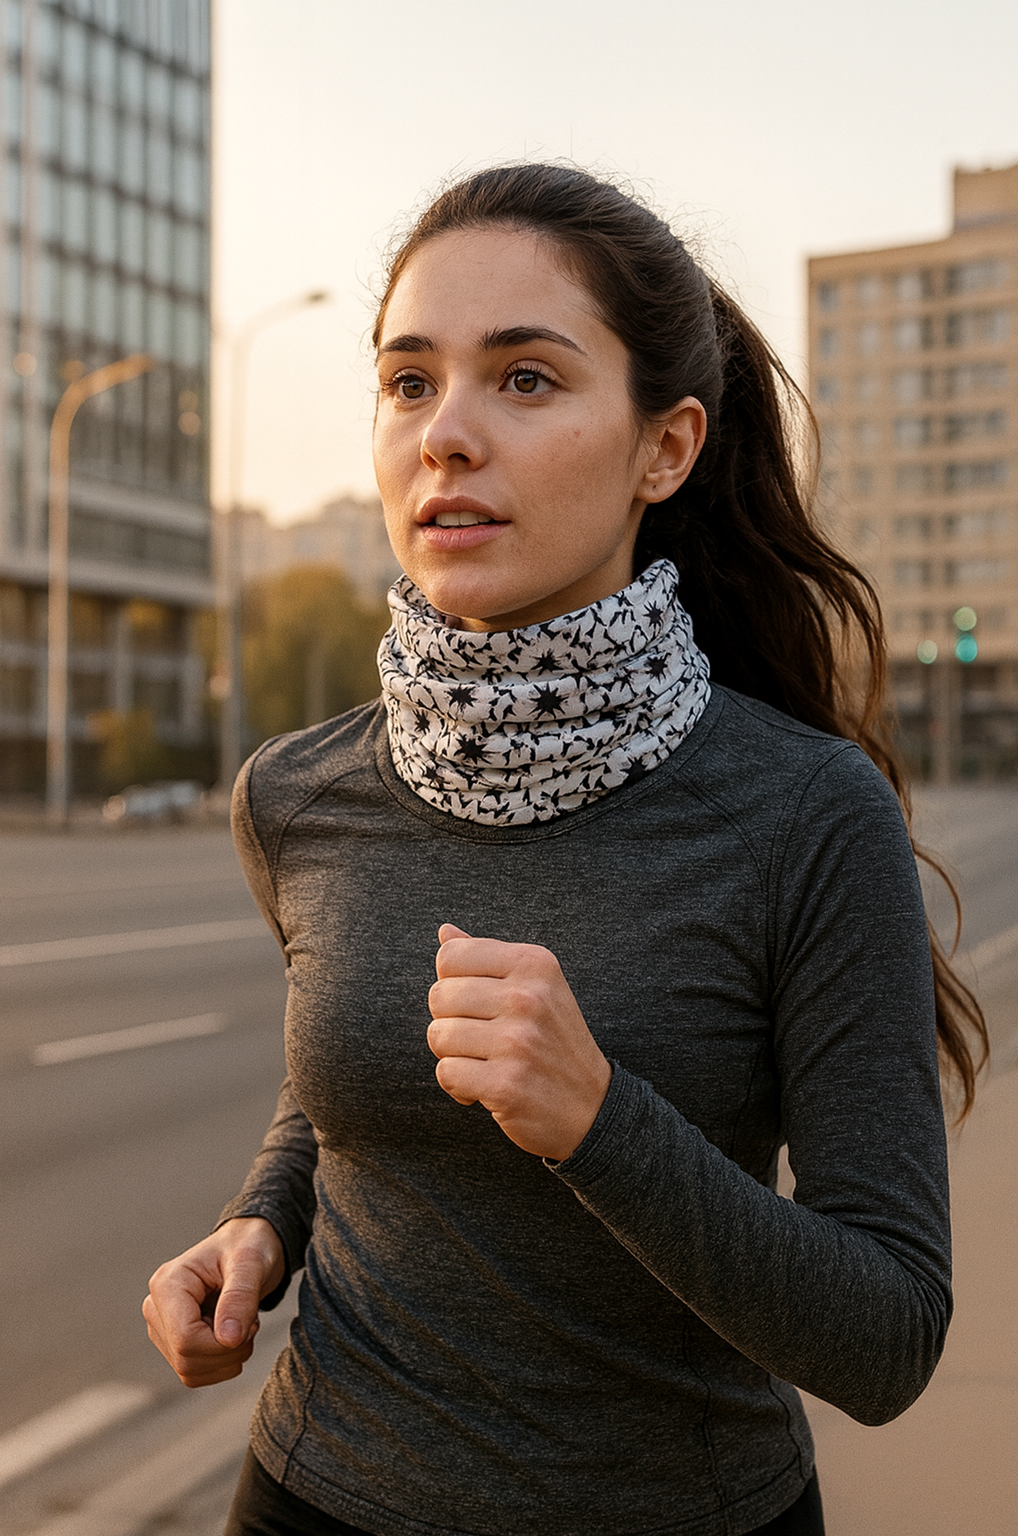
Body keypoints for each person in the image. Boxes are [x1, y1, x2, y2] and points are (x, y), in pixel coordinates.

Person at [144, 164, 987, 1536]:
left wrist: (602, 1120)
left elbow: (887, 1339)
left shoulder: (807, 813)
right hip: (311, 1494)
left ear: (667, 446)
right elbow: (358, 1078)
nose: (447, 435)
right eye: (409, 382)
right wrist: (264, 1221)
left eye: (525, 380)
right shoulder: (296, 795)